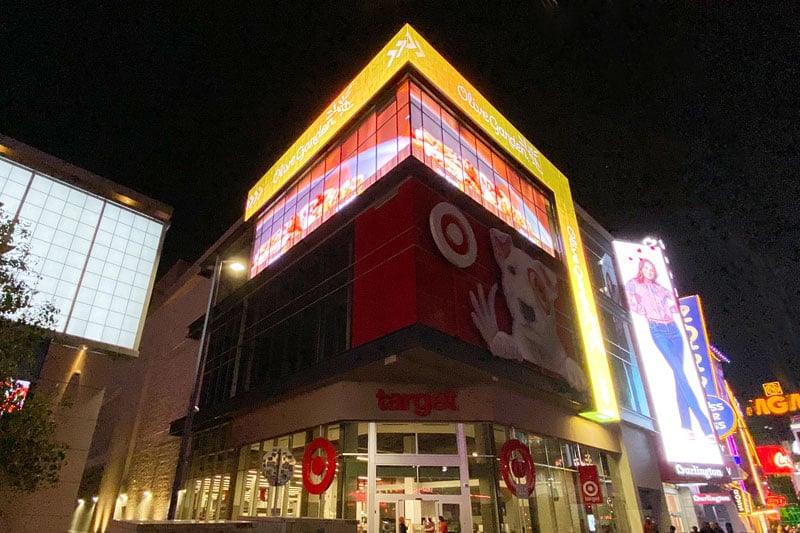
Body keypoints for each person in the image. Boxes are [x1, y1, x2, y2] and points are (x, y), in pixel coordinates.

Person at [625, 258, 713, 439]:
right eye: (646, 268)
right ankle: (705, 425)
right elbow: (628, 297)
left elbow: (674, 304)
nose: (650, 271)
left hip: (673, 329)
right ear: (641, 269)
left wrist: (670, 308)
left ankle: (686, 426)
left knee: (678, 374)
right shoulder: (634, 284)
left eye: (652, 268)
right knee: (680, 373)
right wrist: (642, 310)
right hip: (657, 329)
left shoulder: (660, 288)